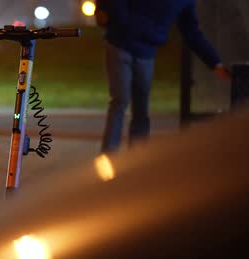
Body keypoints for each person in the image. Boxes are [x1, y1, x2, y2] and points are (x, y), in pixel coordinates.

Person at [95, 0, 231, 153]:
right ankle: (109, 154)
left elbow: (192, 32)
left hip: (146, 52)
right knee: (120, 100)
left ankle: (137, 156)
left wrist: (215, 63)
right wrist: (123, 23)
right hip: (119, 44)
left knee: (141, 107)